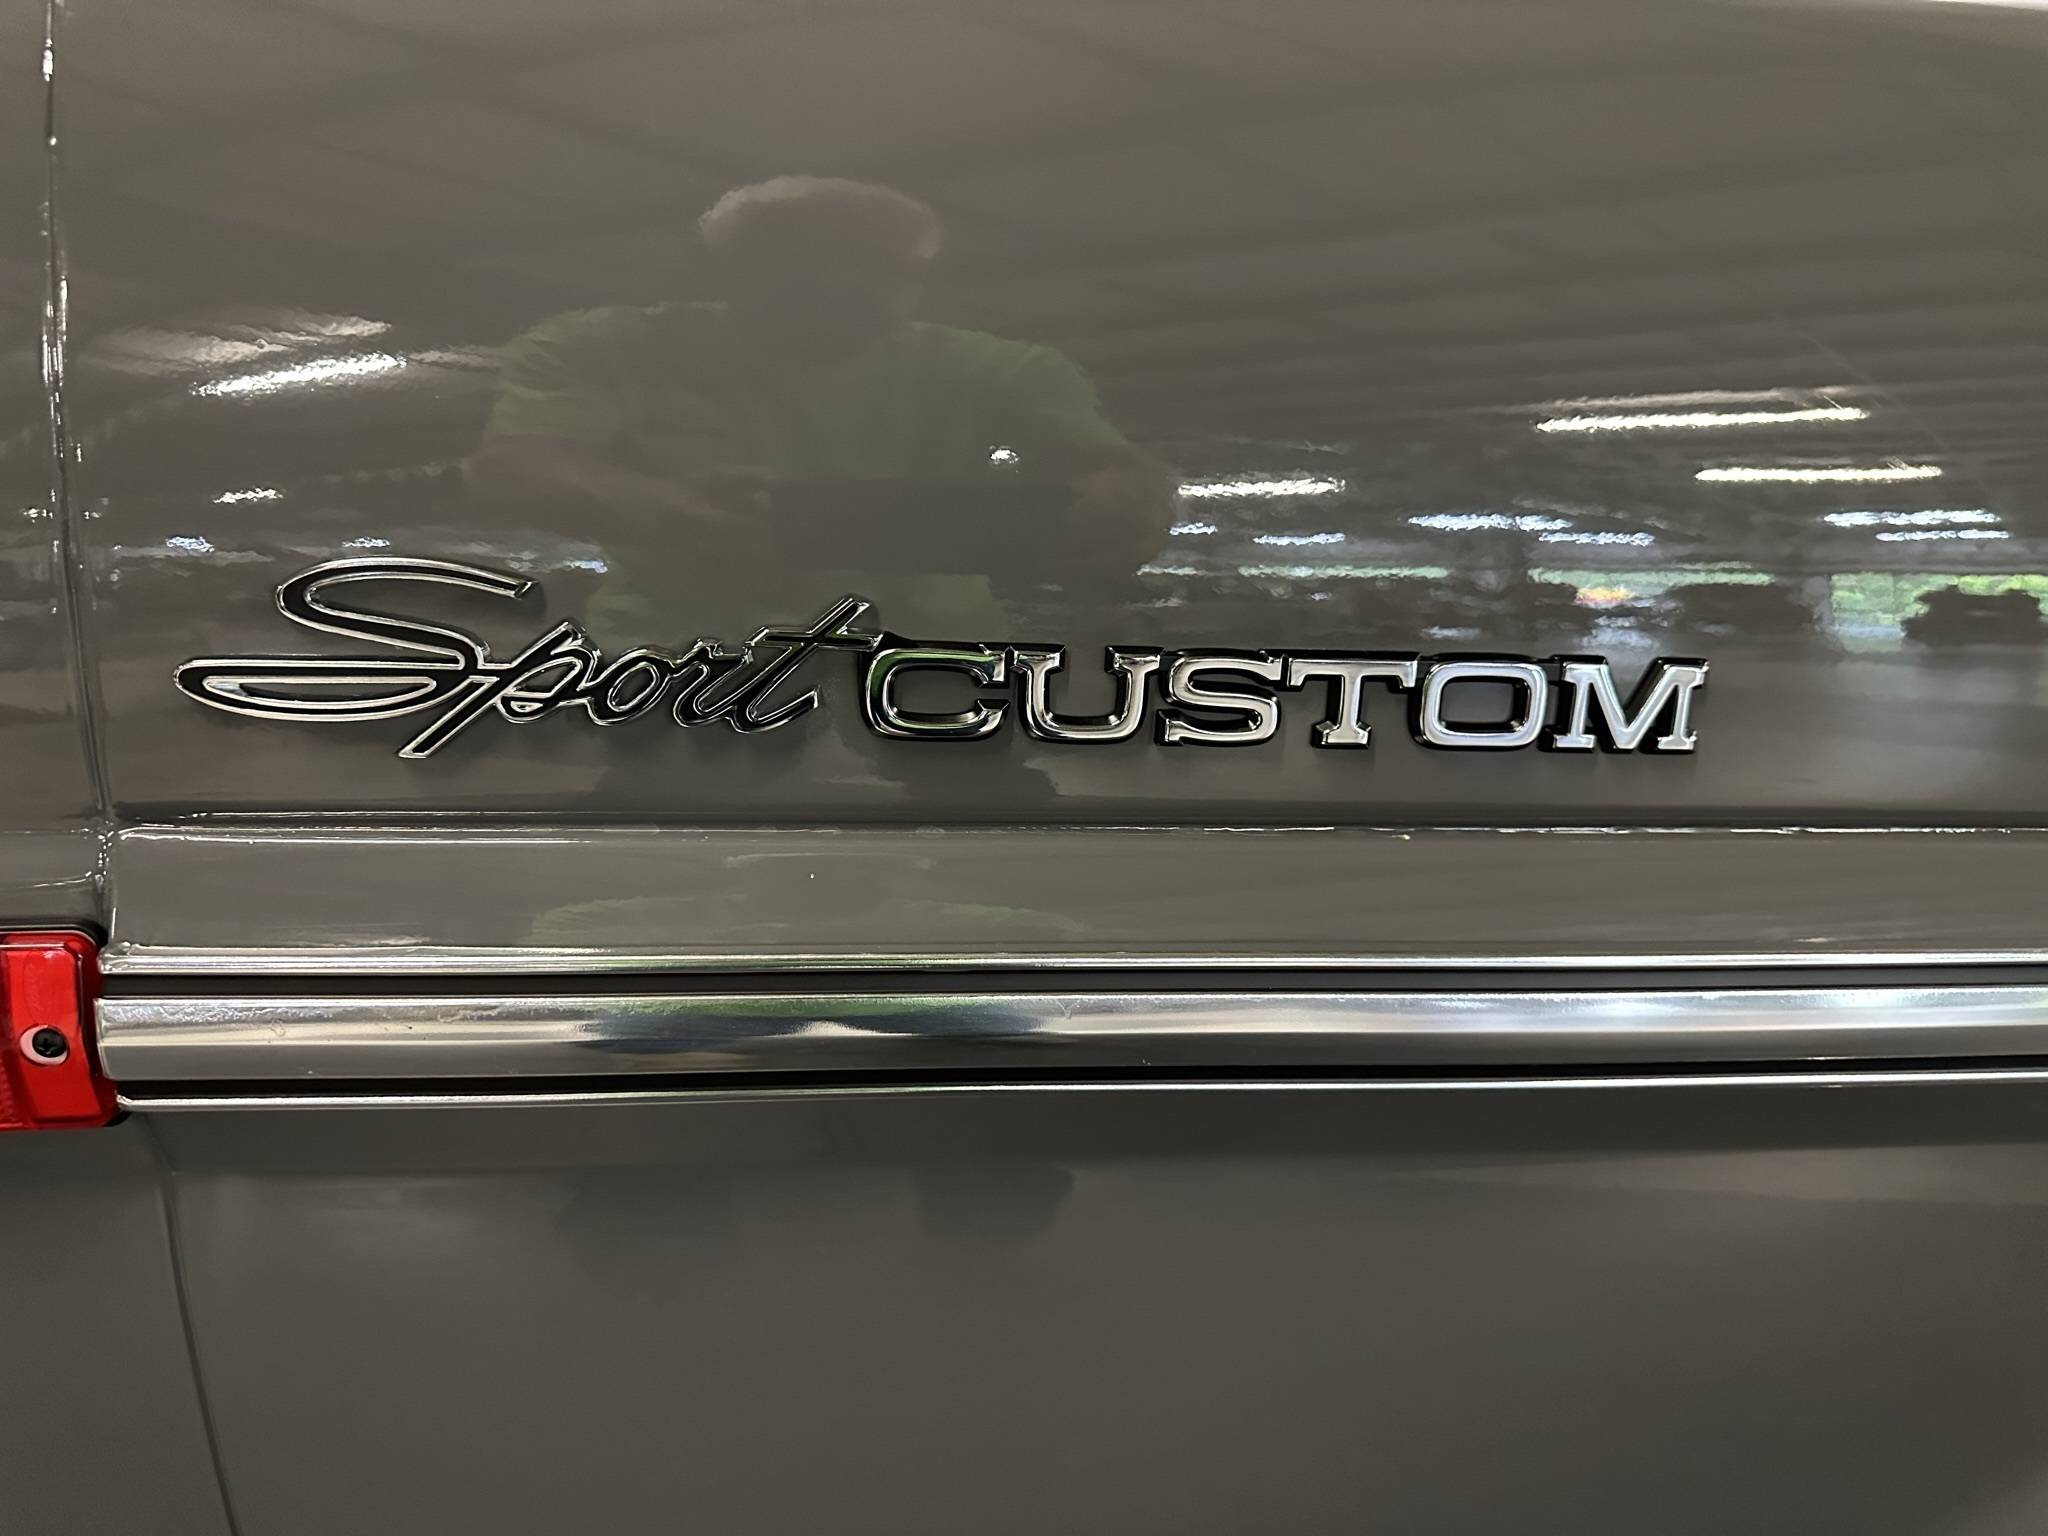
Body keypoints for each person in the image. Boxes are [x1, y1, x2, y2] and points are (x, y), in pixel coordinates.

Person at [467, 175, 1172, 643]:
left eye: (876, 264)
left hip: (923, 659)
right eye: (801, 258)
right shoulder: (607, 346)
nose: (841, 280)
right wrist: (656, 505)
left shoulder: (1003, 369)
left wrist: (1128, 501)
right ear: (729, 266)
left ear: (915, 279)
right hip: (688, 661)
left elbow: (1114, 471)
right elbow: (517, 469)